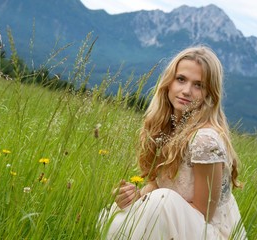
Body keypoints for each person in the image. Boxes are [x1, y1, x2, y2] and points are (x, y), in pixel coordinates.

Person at [99, 46, 246, 239]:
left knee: (162, 203)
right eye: (181, 79)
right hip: (173, 218)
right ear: (169, 82)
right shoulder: (167, 126)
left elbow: (203, 215)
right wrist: (138, 197)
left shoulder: (205, 140)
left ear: (209, 94)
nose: (186, 91)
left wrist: (152, 206)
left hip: (206, 230)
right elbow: (158, 183)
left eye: (198, 85)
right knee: (116, 217)